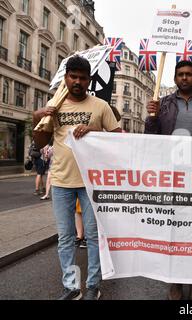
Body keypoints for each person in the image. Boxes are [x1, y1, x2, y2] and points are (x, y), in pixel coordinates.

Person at [33, 55, 121, 300]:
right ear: (66, 77)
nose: (78, 82)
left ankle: (93, 285)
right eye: (74, 77)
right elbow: (41, 142)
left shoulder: (100, 106)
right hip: (61, 181)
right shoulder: (56, 103)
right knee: (66, 238)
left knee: (93, 236)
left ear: (89, 80)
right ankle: (71, 287)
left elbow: (119, 138)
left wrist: (95, 131)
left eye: (83, 78)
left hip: (92, 182)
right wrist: (37, 117)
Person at [145, 60, 192, 300]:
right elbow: (151, 137)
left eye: (189, 74)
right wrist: (152, 117)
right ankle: (176, 282)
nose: (185, 78)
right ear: (175, 78)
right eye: (180, 74)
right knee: (174, 231)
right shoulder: (164, 104)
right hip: (173, 177)